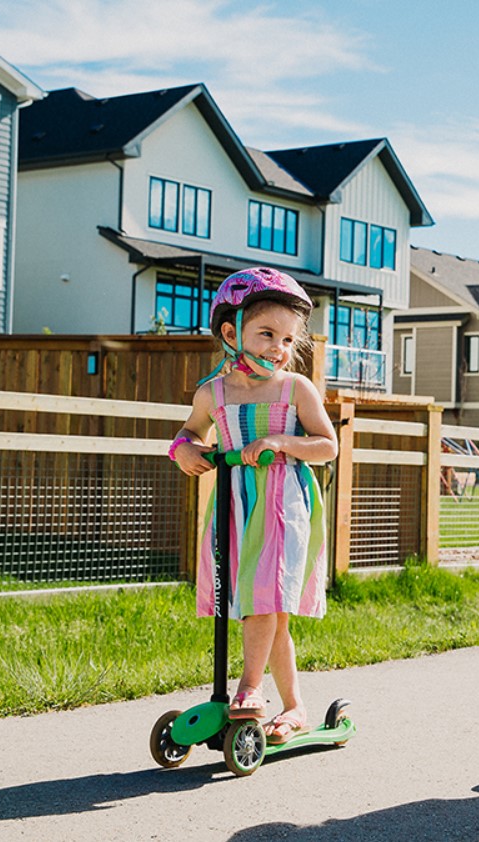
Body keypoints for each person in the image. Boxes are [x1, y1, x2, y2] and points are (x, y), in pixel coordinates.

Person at [169, 267, 338, 745]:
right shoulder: (213, 393)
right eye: (266, 334)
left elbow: (328, 446)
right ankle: (296, 706)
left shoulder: (294, 390)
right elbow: (189, 434)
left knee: (264, 597)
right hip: (235, 507)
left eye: (287, 339)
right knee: (265, 606)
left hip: (284, 504)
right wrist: (182, 449)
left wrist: (282, 442)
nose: (278, 348)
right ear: (231, 332)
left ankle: (248, 687)